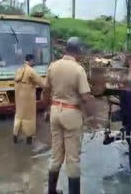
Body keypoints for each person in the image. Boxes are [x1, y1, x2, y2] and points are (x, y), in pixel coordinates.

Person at [43, 37, 97, 194]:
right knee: (73, 158)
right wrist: (92, 118)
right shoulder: (78, 69)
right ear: (78, 51)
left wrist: (47, 109)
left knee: (56, 155)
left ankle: (51, 191)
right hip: (71, 113)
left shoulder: (53, 66)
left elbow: (45, 91)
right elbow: (86, 97)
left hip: (55, 111)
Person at [13, 54, 44, 145]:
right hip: (28, 100)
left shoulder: (18, 70)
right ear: (30, 60)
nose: (34, 62)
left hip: (19, 99)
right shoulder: (31, 71)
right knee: (29, 119)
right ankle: (28, 140)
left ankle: (15, 137)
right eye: (34, 61)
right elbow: (42, 83)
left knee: (18, 117)